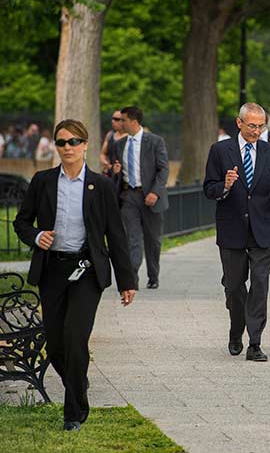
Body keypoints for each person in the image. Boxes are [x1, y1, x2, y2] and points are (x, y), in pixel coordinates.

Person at [13, 119, 136, 431]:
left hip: (87, 271)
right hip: (52, 270)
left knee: (75, 336)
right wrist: (36, 235)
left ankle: (73, 415)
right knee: (55, 345)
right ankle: (79, 385)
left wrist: (127, 282)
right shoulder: (42, 181)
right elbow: (21, 222)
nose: (67, 147)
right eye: (61, 142)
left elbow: (116, 235)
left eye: (73, 142)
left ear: (85, 145)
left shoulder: (102, 185)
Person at [203, 103, 270, 362]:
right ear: (239, 123)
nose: (257, 131)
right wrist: (225, 186)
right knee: (235, 287)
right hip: (232, 229)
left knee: (260, 284)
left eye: (261, 126)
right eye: (252, 125)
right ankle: (235, 329)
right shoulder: (220, 150)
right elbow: (209, 188)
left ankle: (255, 342)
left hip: (263, 229)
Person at [113, 106, 169, 290]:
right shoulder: (119, 145)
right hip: (129, 196)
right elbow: (117, 173)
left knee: (153, 240)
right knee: (132, 238)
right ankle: (132, 277)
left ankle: (153, 276)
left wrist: (155, 192)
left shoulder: (155, 141)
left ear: (133, 121)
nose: (120, 123)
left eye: (123, 120)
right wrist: (115, 172)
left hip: (151, 197)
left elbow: (163, 169)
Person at [100, 110, 128, 175]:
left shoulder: (130, 137)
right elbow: (102, 153)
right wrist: (106, 164)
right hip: (110, 172)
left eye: (116, 119)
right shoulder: (110, 135)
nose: (113, 121)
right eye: (112, 119)